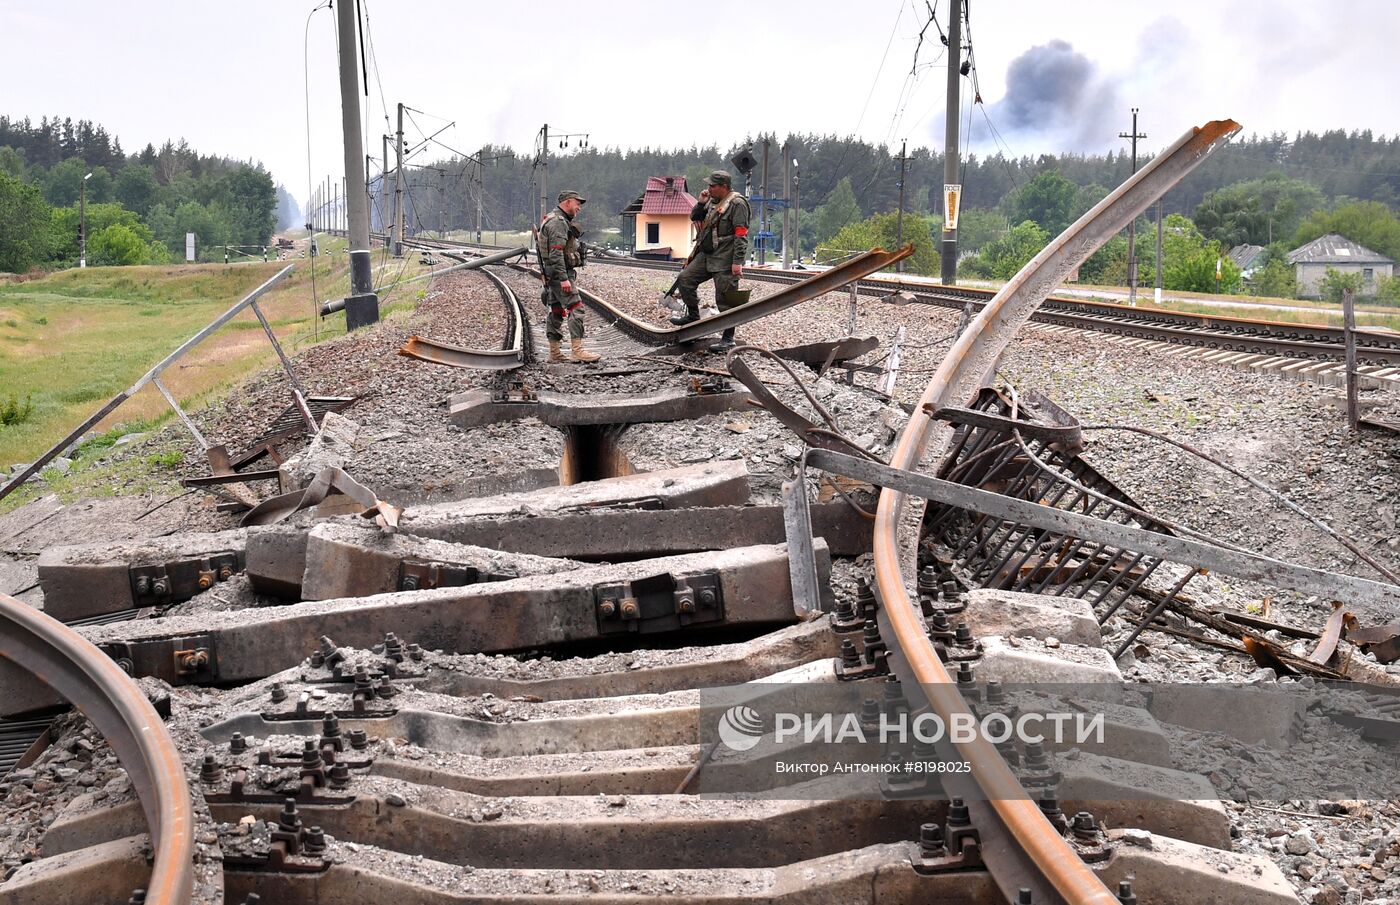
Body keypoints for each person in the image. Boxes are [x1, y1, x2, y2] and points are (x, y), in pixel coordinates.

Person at [671, 170, 751, 353]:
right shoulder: (712, 201)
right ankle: (693, 317)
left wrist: (737, 261)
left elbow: (741, 235)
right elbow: (696, 217)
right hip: (706, 254)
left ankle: (728, 339)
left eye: (712, 186)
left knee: (725, 298)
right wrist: (701, 203)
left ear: (724, 186)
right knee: (685, 279)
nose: (709, 188)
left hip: (725, 256)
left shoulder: (737, 204)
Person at [538, 190, 600, 363]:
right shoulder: (558, 223)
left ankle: (555, 352)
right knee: (576, 308)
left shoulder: (552, 219)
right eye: (577, 203)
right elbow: (556, 253)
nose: (579, 208)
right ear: (567, 202)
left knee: (556, 311)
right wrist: (564, 278)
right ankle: (577, 351)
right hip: (560, 273)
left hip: (553, 273)